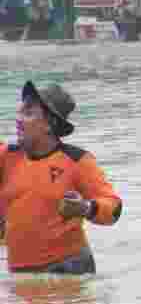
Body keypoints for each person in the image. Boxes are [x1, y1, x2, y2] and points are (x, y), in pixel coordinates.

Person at [0, 82, 122, 274]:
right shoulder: (6, 156)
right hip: (20, 273)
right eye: (19, 111)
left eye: (28, 113)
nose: (18, 119)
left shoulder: (77, 161)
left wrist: (85, 208)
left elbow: (113, 208)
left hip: (68, 269)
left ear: (50, 124)